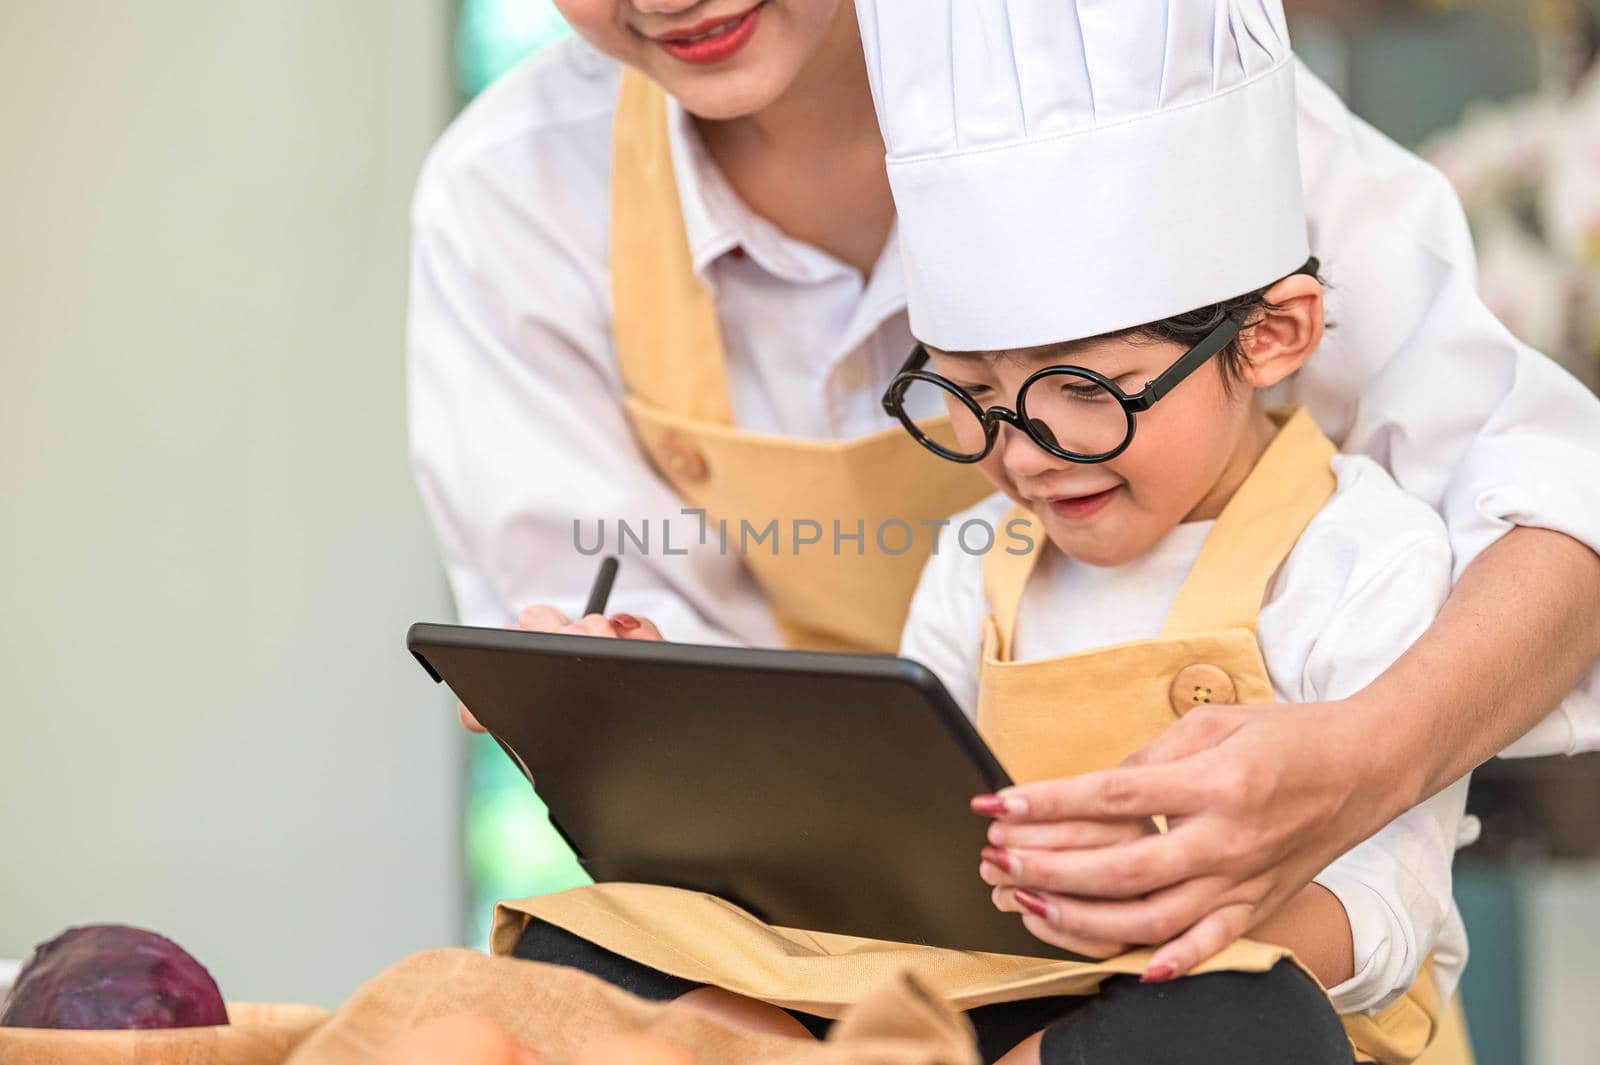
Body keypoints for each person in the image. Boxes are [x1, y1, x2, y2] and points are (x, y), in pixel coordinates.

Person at [407, 0, 1600, 1032]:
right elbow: (632, 620)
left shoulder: (1150, 76)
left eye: (1080, 387)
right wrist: (639, 711)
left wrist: (1358, 763)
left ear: (1274, 338)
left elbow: (1553, 500)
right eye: (968, 399)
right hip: (898, 950)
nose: (1023, 459)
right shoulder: (514, 197)